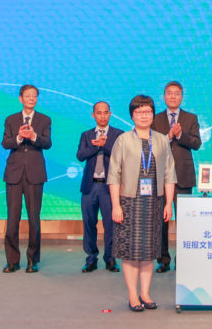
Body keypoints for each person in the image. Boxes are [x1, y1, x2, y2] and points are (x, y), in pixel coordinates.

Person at [108, 95, 176, 312]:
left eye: (147, 112)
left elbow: (169, 173)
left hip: (154, 203)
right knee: (130, 251)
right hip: (129, 202)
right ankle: (132, 295)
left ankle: (145, 293)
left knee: (149, 250)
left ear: (153, 114)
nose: (144, 116)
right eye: (139, 112)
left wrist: (168, 203)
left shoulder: (162, 140)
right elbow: (114, 174)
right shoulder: (123, 140)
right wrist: (116, 205)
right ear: (132, 116)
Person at [151, 80, 202, 273]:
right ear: (164, 97)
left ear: (182, 97)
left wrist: (181, 136)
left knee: (185, 220)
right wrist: (169, 137)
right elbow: (151, 145)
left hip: (183, 175)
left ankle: (184, 258)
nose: (173, 96)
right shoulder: (155, 119)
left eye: (177, 93)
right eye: (169, 93)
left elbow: (196, 143)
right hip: (160, 176)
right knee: (161, 221)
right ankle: (163, 259)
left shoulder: (190, 118)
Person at [1, 84, 52, 273]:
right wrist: (19, 138)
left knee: (33, 219)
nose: (31, 98)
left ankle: (33, 260)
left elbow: (47, 143)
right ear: (20, 98)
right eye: (28, 95)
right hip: (14, 174)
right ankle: (12, 261)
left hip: (34, 174)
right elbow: (5, 143)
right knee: (12, 219)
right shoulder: (11, 119)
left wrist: (33, 136)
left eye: (34, 96)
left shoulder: (44, 119)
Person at [76, 101, 124, 273]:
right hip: (89, 186)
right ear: (93, 115)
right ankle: (91, 258)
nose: (102, 116)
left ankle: (110, 259)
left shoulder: (118, 134)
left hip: (109, 187)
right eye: (99, 113)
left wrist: (105, 145)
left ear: (110, 114)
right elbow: (80, 155)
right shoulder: (86, 135)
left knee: (111, 225)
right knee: (89, 223)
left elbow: (122, 156)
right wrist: (95, 146)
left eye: (105, 112)